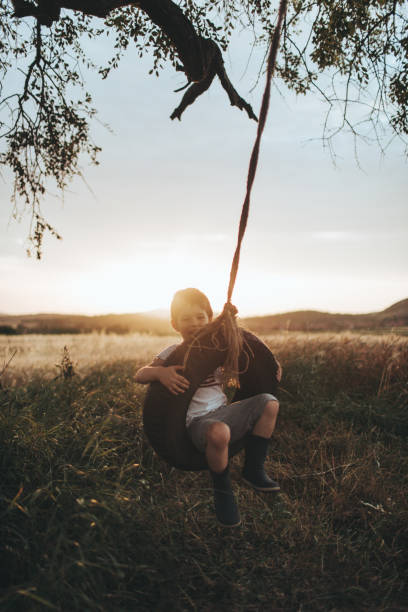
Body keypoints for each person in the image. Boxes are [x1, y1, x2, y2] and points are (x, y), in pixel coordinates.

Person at [135, 288, 281, 527]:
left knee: (269, 402)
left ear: (210, 319)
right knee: (219, 431)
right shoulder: (172, 352)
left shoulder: (217, 347)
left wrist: (272, 367)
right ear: (174, 324)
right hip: (196, 424)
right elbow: (140, 375)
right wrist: (159, 373)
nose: (194, 323)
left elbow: (250, 354)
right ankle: (223, 491)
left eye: (201, 317)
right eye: (186, 318)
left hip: (222, 412)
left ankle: (253, 470)